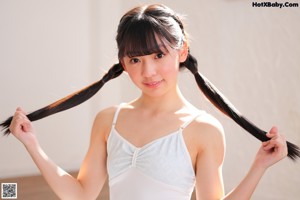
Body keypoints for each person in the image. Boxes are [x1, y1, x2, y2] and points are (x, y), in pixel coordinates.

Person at [2, 4, 298, 200]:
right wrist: (33, 145)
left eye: (158, 55)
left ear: (181, 52)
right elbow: (81, 194)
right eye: (135, 59)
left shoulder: (204, 129)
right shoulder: (108, 120)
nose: (148, 71)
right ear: (123, 63)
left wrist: (258, 167)